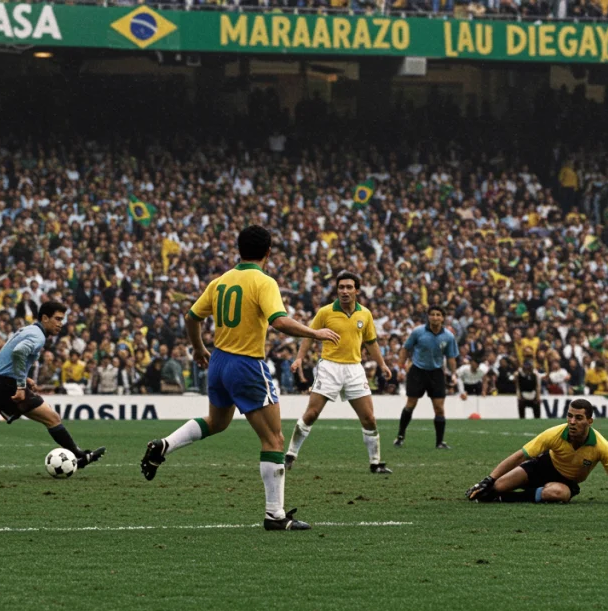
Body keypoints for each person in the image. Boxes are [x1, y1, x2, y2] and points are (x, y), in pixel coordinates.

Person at [139, 225, 340, 531]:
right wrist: (315, 333)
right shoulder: (263, 281)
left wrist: (198, 348)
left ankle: (163, 446)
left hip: (219, 362)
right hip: (246, 364)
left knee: (217, 422)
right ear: (268, 252)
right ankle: (275, 515)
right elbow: (279, 321)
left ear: (239, 249)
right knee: (274, 439)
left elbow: (192, 317)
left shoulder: (220, 281)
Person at [0, 301, 105, 475]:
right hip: (6, 385)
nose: (61, 324)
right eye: (58, 319)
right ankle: (80, 457)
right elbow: (19, 352)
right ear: (45, 318)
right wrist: (21, 386)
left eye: (62, 319)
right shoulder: (38, 336)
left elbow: (7, 357)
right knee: (52, 418)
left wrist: (24, 377)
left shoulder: (27, 330)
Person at [286, 271, 393, 474]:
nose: (344, 291)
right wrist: (299, 358)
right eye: (341, 287)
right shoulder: (325, 312)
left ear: (357, 290)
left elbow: (371, 342)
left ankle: (375, 463)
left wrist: (382, 364)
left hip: (354, 369)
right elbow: (309, 336)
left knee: (369, 418)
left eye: (349, 287)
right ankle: (290, 454)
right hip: (329, 367)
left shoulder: (365, 314)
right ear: (337, 290)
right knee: (312, 413)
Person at [465, 399, 608, 505]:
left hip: (566, 481)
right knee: (495, 486)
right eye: (570, 416)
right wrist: (489, 479)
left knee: (558, 494)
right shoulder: (554, 434)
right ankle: (494, 492)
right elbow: (520, 455)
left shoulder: (602, 446)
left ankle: (504, 498)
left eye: (579, 418)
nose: (572, 422)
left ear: (590, 421)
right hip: (541, 467)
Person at [394, 306, 459, 449]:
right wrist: (400, 368)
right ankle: (400, 436)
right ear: (428, 317)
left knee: (439, 408)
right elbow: (405, 349)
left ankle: (440, 442)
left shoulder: (448, 336)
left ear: (443, 318)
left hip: (436, 373)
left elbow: (451, 357)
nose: (435, 317)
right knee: (411, 404)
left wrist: (454, 373)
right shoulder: (418, 332)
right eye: (432, 315)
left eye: (438, 315)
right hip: (417, 371)